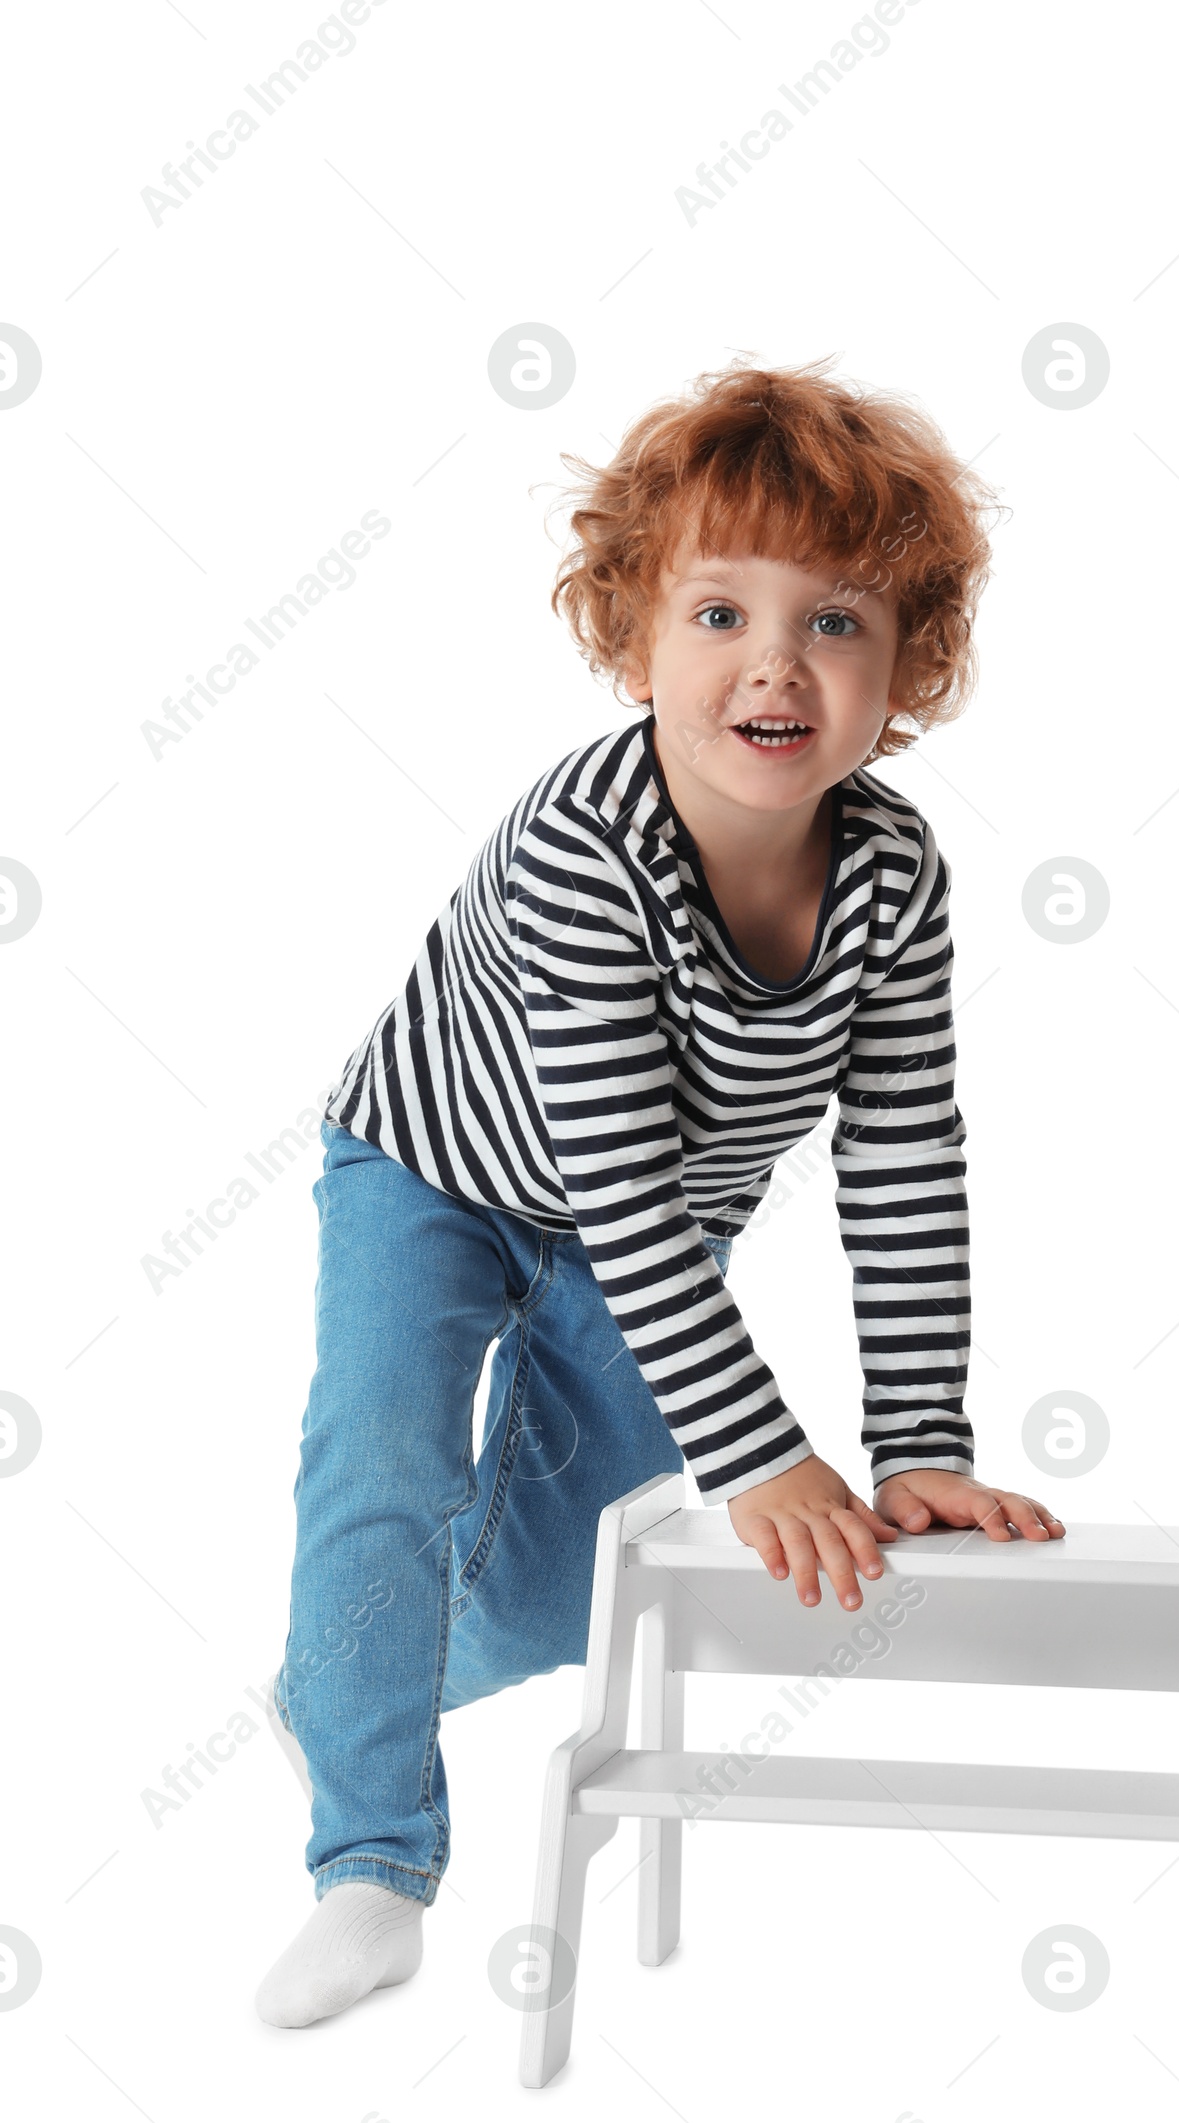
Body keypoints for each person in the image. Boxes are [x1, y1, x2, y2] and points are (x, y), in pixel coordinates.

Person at [255, 356, 1063, 2030]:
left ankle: (347, 1681)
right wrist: (765, 1452)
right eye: (719, 614)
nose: (776, 660)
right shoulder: (585, 846)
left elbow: (905, 1154)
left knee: (575, 1587)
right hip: (437, 1170)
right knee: (381, 1461)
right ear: (634, 642)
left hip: (656, 1235)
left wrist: (919, 1442)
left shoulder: (895, 878)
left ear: (909, 672)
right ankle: (371, 1857)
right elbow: (613, 1177)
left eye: (837, 622)